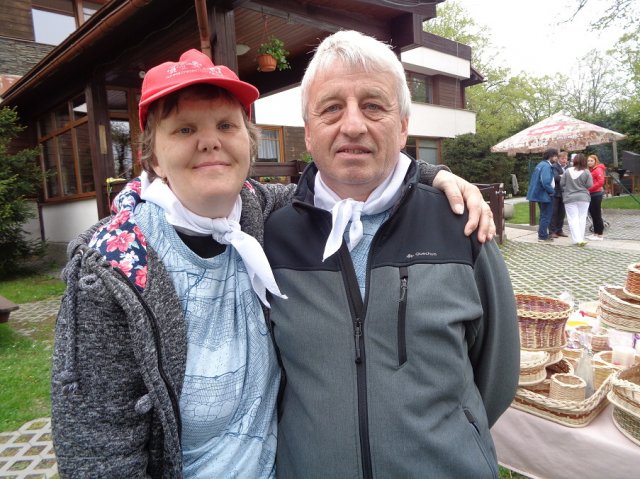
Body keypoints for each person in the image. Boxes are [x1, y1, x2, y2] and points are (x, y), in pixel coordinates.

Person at [50, 49, 495, 478]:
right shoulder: (109, 269)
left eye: (226, 125)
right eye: (184, 129)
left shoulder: (261, 212)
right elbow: (98, 450)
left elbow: (353, 179)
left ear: (248, 143)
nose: (210, 141)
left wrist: (430, 176)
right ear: (152, 157)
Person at [263, 30, 519, 478]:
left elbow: (496, 374)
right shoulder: (272, 237)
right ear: (308, 132)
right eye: (331, 108)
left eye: (373, 106)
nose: (353, 125)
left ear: (402, 127)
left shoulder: (461, 225)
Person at [526, 148, 558, 242]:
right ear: (551, 156)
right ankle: (543, 236)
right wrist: (552, 191)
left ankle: (542, 234)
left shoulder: (540, 164)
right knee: (546, 216)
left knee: (543, 215)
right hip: (545, 194)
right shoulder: (547, 166)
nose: (556, 158)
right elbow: (545, 182)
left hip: (539, 194)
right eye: (555, 156)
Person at [560, 153, 593, 246]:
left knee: (572, 219)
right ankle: (581, 238)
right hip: (584, 197)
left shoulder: (567, 171)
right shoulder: (586, 172)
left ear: (574, 161)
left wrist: (568, 188)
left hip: (569, 197)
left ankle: (577, 239)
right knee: (582, 218)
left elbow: (562, 184)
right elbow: (589, 185)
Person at [587, 153, 606, 240]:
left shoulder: (598, 169)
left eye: (591, 161)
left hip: (596, 194)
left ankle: (600, 234)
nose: (589, 162)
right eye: (588, 161)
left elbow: (601, 182)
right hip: (591, 194)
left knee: (597, 214)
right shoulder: (591, 170)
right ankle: (595, 233)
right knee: (593, 214)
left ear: (595, 161)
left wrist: (589, 189)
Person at [550, 150, 568, 238]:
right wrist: (564, 176)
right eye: (562, 158)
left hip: (564, 193)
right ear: (558, 159)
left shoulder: (569, 167)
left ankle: (559, 230)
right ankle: (552, 231)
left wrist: (562, 176)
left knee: (562, 213)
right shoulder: (554, 166)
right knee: (554, 212)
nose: (564, 160)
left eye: (565, 158)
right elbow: (556, 178)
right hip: (555, 192)